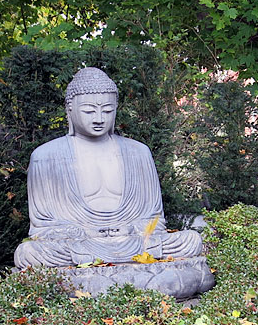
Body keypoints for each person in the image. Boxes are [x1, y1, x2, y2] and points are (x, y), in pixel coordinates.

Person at [14, 67, 203, 268]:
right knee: (28, 253)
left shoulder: (138, 152)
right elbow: (42, 226)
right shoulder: (45, 156)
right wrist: (82, 232)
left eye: (107, 110)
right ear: (70, 110)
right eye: (89, 111)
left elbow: (154, 218)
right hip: (78, 244)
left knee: (191, 241)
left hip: (132, 241)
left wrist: (131, 229)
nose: (99, 118)